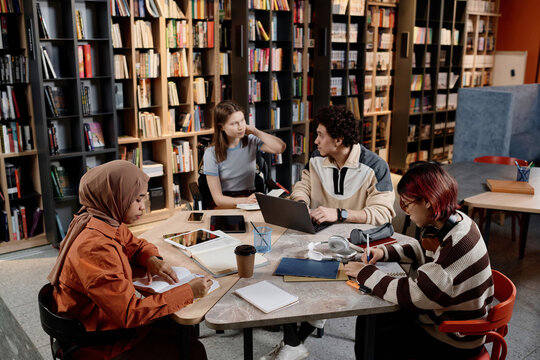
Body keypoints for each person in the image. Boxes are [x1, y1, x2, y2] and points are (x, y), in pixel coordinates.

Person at [261, 105, 395, 360]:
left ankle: (294, 341)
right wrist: (300, 200)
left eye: (320, 134)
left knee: (288, 269)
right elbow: (303, 185)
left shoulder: (375, 166)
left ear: (339, 140)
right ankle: (297, 338)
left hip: (351, 249)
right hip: (317, 239)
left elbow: (384, 213)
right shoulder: (316, 158)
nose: (316, 140)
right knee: (274, 261)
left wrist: (341, 213)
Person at [48, 160, 212, 360]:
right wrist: (189, 291)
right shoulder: (95, 248)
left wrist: (150, 257)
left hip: (101, 322)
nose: (143, 207)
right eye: (137, 200)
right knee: (194, 349)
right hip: (98, 341)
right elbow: (130, 313)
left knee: (176, 326)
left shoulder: (101, 217)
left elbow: (134, 244)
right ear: (114, 197)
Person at [344, 162, 494, 359]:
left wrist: (366, 273)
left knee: (374, 331)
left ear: (428, 202)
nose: (405, 211)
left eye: (406, 204)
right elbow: (424, 252)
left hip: (453, 341)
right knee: (372, 318)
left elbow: (417, 295)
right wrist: (384, 252)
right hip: (448, 322)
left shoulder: (455, 246)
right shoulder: (457, 221)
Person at [203, 100, 286, 208]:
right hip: (226, 202)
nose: (240, 126)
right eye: (234, 123)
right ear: (221, 127)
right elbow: (218, 199)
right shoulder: (211, 153)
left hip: (250, 198)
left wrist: (254, 130)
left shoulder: (251, 141)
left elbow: (280, 148)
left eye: (242, 120)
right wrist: (245, 200)